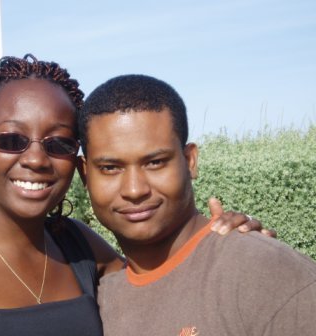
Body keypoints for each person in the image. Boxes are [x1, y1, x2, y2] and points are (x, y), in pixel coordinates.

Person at [0, 55, 268, 336]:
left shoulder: (79, 247)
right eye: (12, 140)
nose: (37, 159)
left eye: (58, 144)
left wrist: (227, 241)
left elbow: (167, 282)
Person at [77, 74, 316, 335]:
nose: (135, 190)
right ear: (85, 175)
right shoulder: (100, 302)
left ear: (190, 161)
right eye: (110, 168)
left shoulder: (264, 273)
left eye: (155, 162)